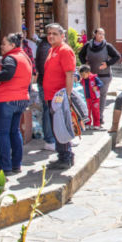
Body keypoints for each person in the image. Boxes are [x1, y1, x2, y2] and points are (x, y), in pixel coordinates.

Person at [0, 33, 33, 176]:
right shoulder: (24, 57)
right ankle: (16, 164)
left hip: (5, 99)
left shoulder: (10, 58)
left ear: (12, 45)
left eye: (4, 44)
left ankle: (5, 166)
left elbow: (7, 74)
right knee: (14, 132)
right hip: (20, 99)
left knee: (3, 134)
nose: (1, 46)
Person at [42, 23, 77, 169]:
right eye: (49, 33)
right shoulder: (52, 50)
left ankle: (66, 156)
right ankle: (62, 155)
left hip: (59, 96)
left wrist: (67, 96)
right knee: (56, 127)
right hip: (50, 95)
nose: (51, 36)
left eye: (54, 34)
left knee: (60, 127)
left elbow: (69, 74)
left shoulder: (64, 50)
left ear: (62, 36)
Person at [78, 28, 121, 128]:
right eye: (100, 34)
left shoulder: (107, 46)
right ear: (95, 34)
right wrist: (85, 64)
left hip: (104, 76)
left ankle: (99, 119)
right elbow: (81, 55)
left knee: (101, 97)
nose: (102, 36)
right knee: (89, 98)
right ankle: (88, 120)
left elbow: (117, 56)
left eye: (103, 34)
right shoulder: (88, 45)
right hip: (90, 77)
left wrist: (107, 64)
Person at [34, 33, 55, 151]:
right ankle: (50, 139)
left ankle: (54, 138)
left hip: (50, 83)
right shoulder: (45, 48)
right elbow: (44, 69)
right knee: (48, 110)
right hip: (47, 84)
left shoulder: (48, 47)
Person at [80, 65, 103, 129]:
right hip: (86, 98)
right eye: (81, 75)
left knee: (95, 111)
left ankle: (97, 124)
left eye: (84, 74)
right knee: (87, 112)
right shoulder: (82, 80)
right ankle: (88, 124)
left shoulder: (94, 78)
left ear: (88, 73)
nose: (83, 76)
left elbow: (101, 83)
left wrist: (97, 87)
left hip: (95, 98)